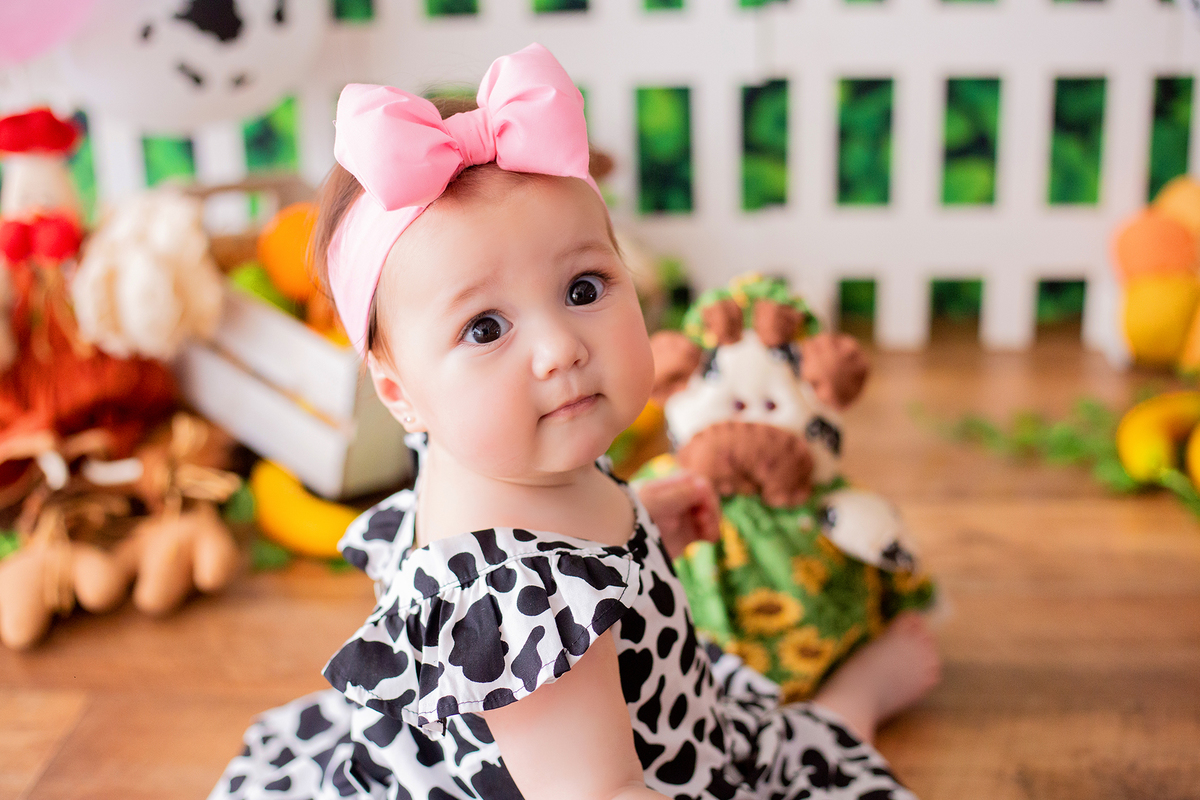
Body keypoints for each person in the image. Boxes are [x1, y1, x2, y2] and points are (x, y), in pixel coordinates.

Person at [209, 44, 938, 800]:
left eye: (584, 287)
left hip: (648, 717)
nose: (561, 349)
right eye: (486, 329)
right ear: (401, 394)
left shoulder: (498, 455)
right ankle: (846, 708)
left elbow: (561, 534)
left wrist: (638, 526)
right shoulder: (519, 601)